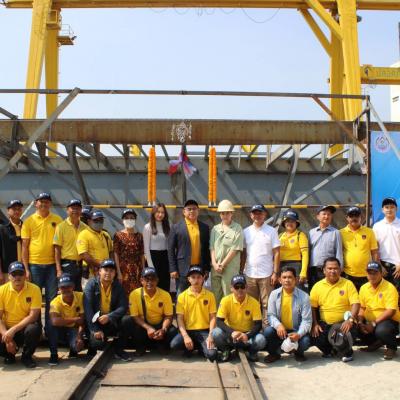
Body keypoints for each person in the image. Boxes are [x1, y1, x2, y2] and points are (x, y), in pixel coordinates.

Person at [21, 192, 62, 332]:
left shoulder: (57, 220)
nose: (44, 204)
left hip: (52, 266)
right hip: (34, 265)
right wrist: (26, 269)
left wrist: (58, 268)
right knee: (35, 299)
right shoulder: (28, 221)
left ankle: (50, 330)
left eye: (46, 201)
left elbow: (58, 246)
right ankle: (36, 330)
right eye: (41, 201)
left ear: (50, 204)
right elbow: (24, 246)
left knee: (52, 298)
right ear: (36, 203)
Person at [310, 257, 360, 362]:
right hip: (325, 324)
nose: (333, 271)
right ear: (324, 270)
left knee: (340, 336)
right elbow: (312, 307)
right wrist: (315, 324)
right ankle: (331, 350)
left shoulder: (348, 284)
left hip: (344, 323)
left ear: (340, 270)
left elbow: (356, 303)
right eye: (329, 268)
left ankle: (347, 352)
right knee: (314, 335)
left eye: (335, 268)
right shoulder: (317, 286)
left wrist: (350, 320)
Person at [83, 259, 131, 361]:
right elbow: (88, 309)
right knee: (97, 344)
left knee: (127, 320)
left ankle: (119, 350)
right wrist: (95, 329)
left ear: (115, 273)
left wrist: (110, 316)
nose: (108, 273)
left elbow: (123, 306)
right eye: (106, 270)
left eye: (111, 271)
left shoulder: (117, 285)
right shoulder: (91, 284)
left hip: (110, 321)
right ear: (99, 271)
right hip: (96, 321)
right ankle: (92, 346)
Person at [123, 267, 177, 355]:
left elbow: (168, 316)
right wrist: (148, 328)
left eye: (153, 279)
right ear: (141, 281)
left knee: (173, 331)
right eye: (147, 279)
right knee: (127, 321)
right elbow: (135, 316)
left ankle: (160, 344)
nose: (150, 282)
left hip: (159, 325)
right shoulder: (134, 294)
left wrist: (163, 329)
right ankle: (141, 346)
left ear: (157, 281)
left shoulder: (165, 295)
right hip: (144, 326)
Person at [212, 274, 265, 362]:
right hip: (231, 334)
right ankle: (226, 350)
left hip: (246, 335)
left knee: (261, 340)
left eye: (242, 286)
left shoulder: (254, 302)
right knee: (216, 333)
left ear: (246, 287)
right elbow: (219, 321)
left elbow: (258, 324)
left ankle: (251, 352)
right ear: (231, 288)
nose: (240, 289)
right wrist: (232, 332)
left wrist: (247, 335)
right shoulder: (225, 300)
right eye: (236, 287)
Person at [264, 266, 312, 363]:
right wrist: (278, 325)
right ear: (280, 280)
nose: (287, 280)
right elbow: (270, 315)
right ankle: (274, 354)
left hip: (296, 330)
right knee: (268, 332)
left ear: (296, 280)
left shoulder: (304, 296)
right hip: (280, 331)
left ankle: (298, 353)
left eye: (290, 277)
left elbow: (306, 320)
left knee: (305, 341)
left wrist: (298, 334)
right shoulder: (274, 294)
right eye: (284, 277)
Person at [170, 266, 217, 361]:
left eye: (199, 277)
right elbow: (179, 318)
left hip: (204, 331)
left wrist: (210, 335)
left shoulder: (210, 295)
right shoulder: (182, 296)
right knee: (174, 344)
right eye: (193, 277)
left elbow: (213, 317)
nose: (196, 280)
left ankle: (198, 346)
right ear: (189, 279)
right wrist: (185, 336)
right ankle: (194, 345)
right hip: (188, 331)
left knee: (212, 355)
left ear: (203, 278)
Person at [241, 204, 280, 319]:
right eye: (255, 213)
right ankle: (253, 326)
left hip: (267, 274)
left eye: (260, 213)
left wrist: (275, 273)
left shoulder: (271, 231)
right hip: (249, 273)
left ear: (265, 215)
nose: (257, 215)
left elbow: (277, 253)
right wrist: (241, 271)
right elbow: (243, 253)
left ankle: (267, 326)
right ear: (251, 215)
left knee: (267, 304)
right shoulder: (246, 231)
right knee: (251, 303)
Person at [0, 261, 42, 368]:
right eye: (14, 274)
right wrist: (8, 339)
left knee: (34, 328)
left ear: (25, 275)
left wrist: (13, 330)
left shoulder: (35, 289)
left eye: (20, 274)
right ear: (9, 276)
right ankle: (9, 355)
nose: (17, 277)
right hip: (7, 329)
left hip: (24, 328)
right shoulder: (1, 291)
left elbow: (33, 316)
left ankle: (26, 356)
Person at [358, 262, 400, 360]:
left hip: (389, 321)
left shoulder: (389, 287)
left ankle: (391, 347)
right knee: (357, 327)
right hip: (370, 322)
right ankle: (376, 343)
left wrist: (373, 324)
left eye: (375, 273)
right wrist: (360, 322)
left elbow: (391, 311)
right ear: (366, 274)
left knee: (382, 330)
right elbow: (362, 308)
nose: (372, 276)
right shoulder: (364, 288)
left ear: (381, 274)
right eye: (370, 273)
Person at [168, 199, 211, 295]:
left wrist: (207, 269)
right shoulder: (176, 227)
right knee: (181, 295)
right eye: (189, 209)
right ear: (184, 212)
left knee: (198, 294)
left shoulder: (204, 227)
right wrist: (173, 269)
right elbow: (170, 249)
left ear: (198, 211)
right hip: (182, 269)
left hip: (199, 268)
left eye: (194, 209)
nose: (192, 211)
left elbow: (206, 249)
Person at [210, 199, 244, 305]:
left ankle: (229, 316)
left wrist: (222, 265)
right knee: (216, 296)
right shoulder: (215, 229)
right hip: (216, 268)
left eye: (227, 213)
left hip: (230, 268)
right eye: (222, 213)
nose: (225, 215)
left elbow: (235, 249)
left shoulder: (237, 228)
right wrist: (214, 264)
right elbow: (212, 248)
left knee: (229, 295)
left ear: (232, 213)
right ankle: (218, 316)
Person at [48, 273, 85, 365]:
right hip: (60, 330)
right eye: (63, 287)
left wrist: (79, 337)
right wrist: (75, 319)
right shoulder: (55, 302)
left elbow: (82, 320)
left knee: (77, 347)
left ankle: (73, 349)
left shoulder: (81, 296)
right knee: (50, 325)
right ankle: (53, 354)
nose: (66, 289)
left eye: (68, 286)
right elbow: (55, 321)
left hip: (74, 329)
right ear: (59, 289)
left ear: (73, 286)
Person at [340, 206, 379, 291]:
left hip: (366, 274)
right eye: (351, 216)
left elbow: (374, 252)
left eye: (356, 215)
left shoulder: (369, 231)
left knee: (365, 297)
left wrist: (376, 269)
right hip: (347, 274)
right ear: (347, 218)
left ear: (361, 217)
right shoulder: (341, 233)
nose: (354, 218)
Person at [53, 199, 87, 291]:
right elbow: (57, 249)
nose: (75, 210)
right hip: (66, 266)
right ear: (67, 210)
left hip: (81, 266)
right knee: (67, 291)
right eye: (73, 208)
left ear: (81, 210)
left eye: (78, 208)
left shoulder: (85, 228)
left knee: (79, 292)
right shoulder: (61, 227)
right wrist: (59, 270)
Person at [308, 205, 343, 289]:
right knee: (314, 291)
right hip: (314, 269)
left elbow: (339, 252)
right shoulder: (311, 232)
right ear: (318, 216)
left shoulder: (336, 232)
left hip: (330, 270)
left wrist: (340, 269)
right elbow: (308, 251)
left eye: (329, 214)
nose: (326, 216)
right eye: (324, 214)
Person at [373, 197, 400, 299]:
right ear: (382, 210)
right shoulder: (377, 226)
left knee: (397, 296)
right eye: (386, 207)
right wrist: (379, 265)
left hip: (397, 266)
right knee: (382, 295)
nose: (389, 209)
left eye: (392, 207)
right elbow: (375, 248)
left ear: (396, 209)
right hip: (382, 265)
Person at [114, 209, 145, 296]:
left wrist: (143, 270)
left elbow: (142, 254)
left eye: (132, 218)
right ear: (123, 220)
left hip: (137, 270)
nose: (129, 220)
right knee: (123, 294)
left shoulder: (139, 236)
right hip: (123, 270)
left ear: (135, 220)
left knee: (137, 293)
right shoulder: (118, 235)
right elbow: (116, 254)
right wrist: (118, 272)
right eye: (126, 218)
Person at [143, 203, 171, 292]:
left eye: (162, 212)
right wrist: (151, 266)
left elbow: (169, 246)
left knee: (164, 285)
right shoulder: (148, 227)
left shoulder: (167, 227)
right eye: (158, 212)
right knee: (153, 285)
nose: (160, 214)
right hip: (153, 257)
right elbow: (146, 249)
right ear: (153, 213)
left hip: (165, 258)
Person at [77, 210, 113, 277]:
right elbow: (83, 254)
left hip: (106, 271)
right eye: (96, 220)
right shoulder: (83, 234)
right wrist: (99, 264)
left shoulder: (106, 234)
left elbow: (111, 251)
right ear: (89, 221)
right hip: (90, 271)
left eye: (101, 220)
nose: (99, 222)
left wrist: (110, 265)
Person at [279, 209, 309, 288]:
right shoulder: (280, 236)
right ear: (284, 223)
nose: (290, 223)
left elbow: (305, 254)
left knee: (296, 290)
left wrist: (303, 272)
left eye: (292, 221)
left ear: (296, 223)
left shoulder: (300, 235)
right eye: (287, 221)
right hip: (281, 266)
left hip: (296, 267)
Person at [0, 199, 23, 285]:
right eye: (14, 209)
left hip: (23, 271)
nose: (17, 211)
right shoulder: (2, 228)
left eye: (19, 209)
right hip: (7, 272)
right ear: (8, 211)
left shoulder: (25, 227)